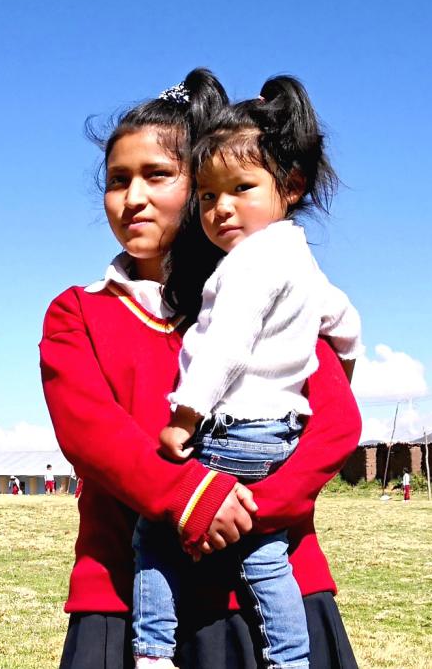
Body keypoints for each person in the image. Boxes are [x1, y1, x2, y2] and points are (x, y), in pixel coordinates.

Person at [40, 68, 362, 669]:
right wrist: (192, 496)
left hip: (269, 598)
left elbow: (335, 424)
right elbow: (92, 436)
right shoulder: (78, 312)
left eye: (158, 176)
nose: (132, 197)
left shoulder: (271, 297)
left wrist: (252, 508)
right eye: (117, 181)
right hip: (126, 600)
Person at [136, 75, 361, 669]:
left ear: (289, 186)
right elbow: (346, 320)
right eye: (208, 196)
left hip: (233, 427)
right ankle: (290, 659)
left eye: (240, 188)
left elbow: (226, 347)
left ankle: (154, 649)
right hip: (280, 432)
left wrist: (184, 417)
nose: (221, 208)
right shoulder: (297, 254)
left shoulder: (246, 264)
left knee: (157, 534)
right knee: (264, 553)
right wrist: (346, 364)